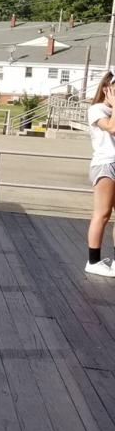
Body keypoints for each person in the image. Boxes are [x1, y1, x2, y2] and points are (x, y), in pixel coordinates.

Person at [85, 72, 115, 277]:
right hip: (106, 164)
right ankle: (93, 261)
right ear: (107, 88)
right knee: (102, 213)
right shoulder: (97, 109)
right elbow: (112, 128)